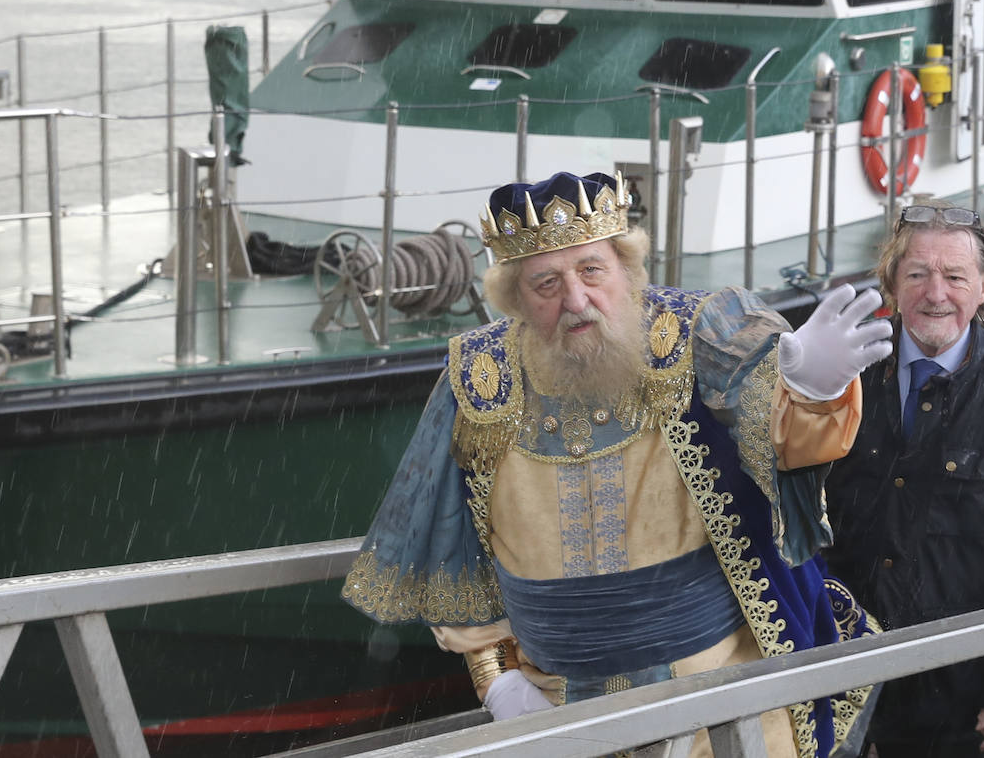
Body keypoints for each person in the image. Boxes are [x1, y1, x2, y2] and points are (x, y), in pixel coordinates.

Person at [342, 170, 893, 757]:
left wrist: (809, 390)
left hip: (722, 708)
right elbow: (455, 551)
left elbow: (784, 442)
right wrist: (496, 679)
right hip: (556, 715)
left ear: (626, 267)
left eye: (591, 270)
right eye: (546, 283)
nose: (576, 301)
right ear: (514, 297)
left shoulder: (700, 330)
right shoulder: (477, 379)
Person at [823, 200, 984, 756]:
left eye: (955, 276)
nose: (935, 293)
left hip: (951, 684)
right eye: (917, 274)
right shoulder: (844, 369)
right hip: (830, 663)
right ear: (893, 281)